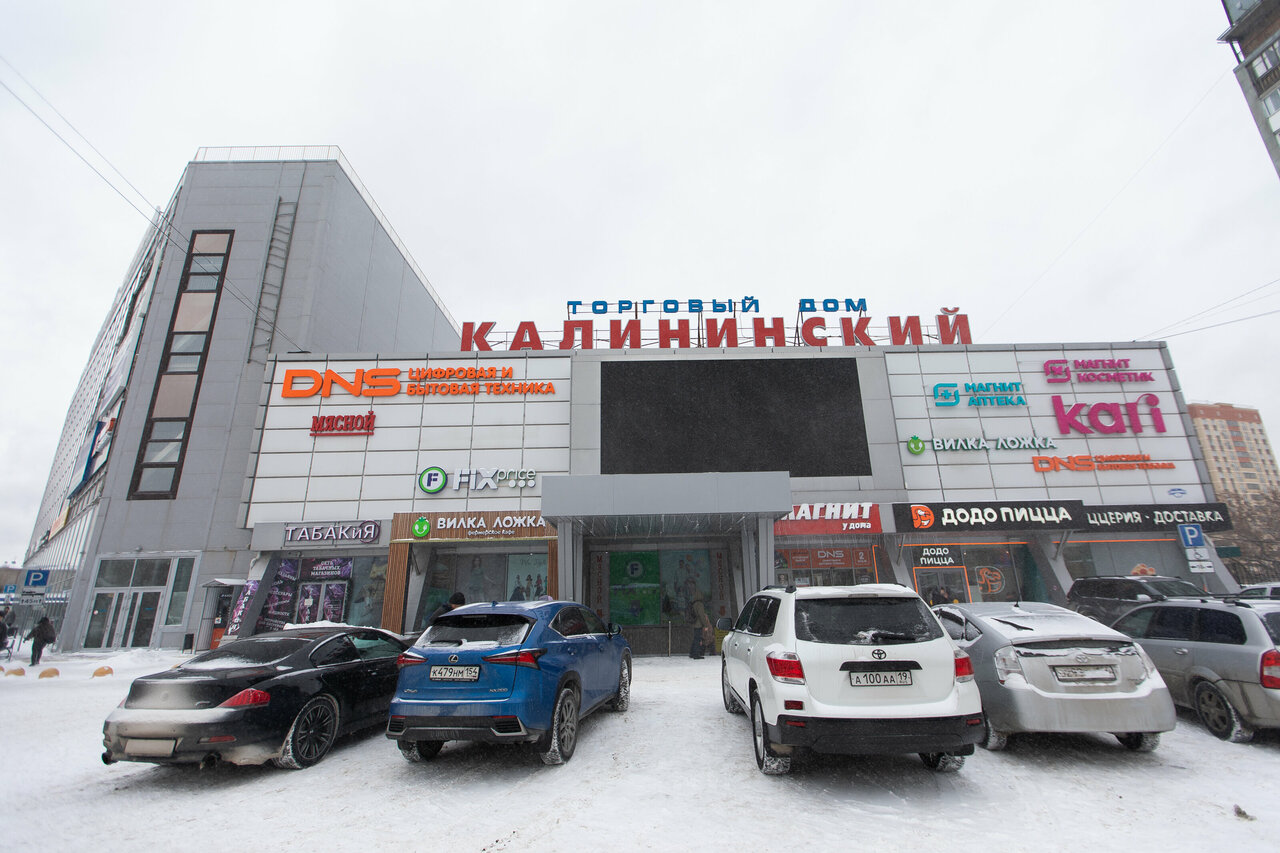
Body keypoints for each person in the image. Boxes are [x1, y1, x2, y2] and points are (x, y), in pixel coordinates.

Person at [688, 585, 713, 660]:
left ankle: (692, 653)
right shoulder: (700, 604)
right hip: (698, 624)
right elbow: (701, 615)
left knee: (695, 638)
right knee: (698, 639)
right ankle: (696, 654)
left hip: (695, 623)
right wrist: (705, 625)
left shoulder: (694, 603)